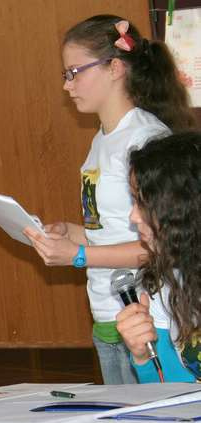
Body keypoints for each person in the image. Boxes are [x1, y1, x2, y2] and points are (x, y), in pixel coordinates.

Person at [23, 15, 196, 384]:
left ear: (115, 68)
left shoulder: (144, 139)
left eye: (74, 72)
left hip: (149, 314)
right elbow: (112, 228)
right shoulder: (102, 140)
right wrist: (72, 233)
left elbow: (166, 244)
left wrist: (79, 255)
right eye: (65, 74)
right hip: (107, 310)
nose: (67, 85)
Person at [116, 132, 201, 383]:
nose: (133, 216)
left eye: (143, 202)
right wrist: (143, 355)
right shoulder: (164, 279)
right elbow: (170, 388)